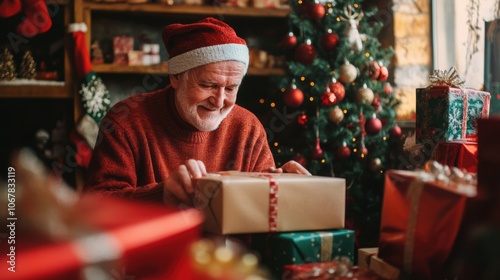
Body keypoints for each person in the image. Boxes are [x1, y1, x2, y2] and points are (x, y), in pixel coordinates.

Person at [84, 17, 310, 208]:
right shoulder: (125, 121)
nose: (219, 101)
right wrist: (161, 195)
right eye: (208, 85)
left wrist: (287, 195)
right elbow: (95, 208)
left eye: (231, 88)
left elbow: (259, 216)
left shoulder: (247, 127)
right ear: (175, 77)